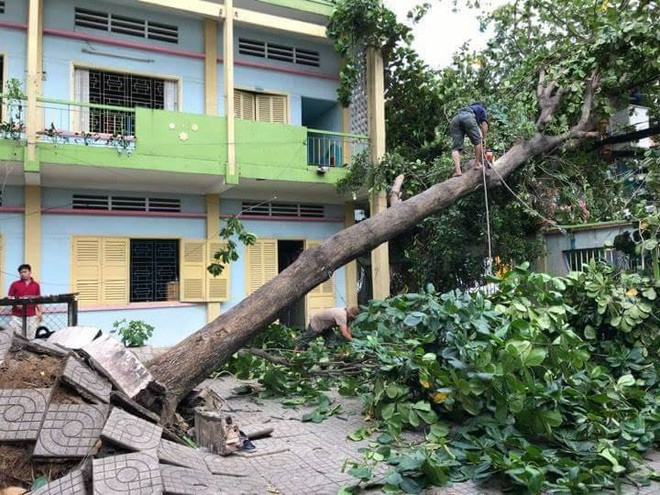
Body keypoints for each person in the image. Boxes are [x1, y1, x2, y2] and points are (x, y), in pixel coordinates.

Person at [449, 102, 489, 177]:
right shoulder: (482, 109)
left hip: (455, 119)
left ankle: (458, 171)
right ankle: (476, 164)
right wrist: (483, 139)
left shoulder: (469, 109)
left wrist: (481, 138)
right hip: (468, 118)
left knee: (455, 148)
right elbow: (484, 125)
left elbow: (477, 130)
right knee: (478, 142)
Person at [295, 306, 359, 350]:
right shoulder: (342, 315)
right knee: (308, 338)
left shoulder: (348, 317)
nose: (352, 318)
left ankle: (327, 352)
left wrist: (351, 341)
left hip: (326, 326)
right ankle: (295, 351)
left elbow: (348, 329)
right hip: (317, 323)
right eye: (352, 317)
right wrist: (354, 341)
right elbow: (344, 333)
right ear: (350, 314)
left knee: (331, 338)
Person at [8, 264, 42, 339]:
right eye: (21, 272)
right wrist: (16, 303)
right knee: (16, 336)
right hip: (17, 315)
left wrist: (40, 312)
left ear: (30, 272)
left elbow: (37, 299)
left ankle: (29, 350)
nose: (23, 274)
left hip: (31, 315)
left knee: (30, 337)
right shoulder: (15, 284)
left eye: (25, 272)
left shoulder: (36, 285)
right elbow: (9, 297)